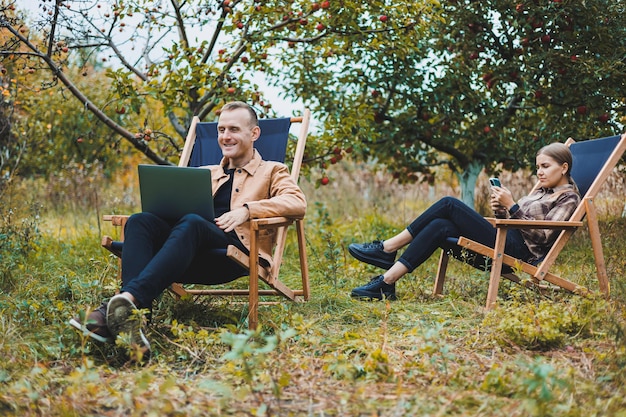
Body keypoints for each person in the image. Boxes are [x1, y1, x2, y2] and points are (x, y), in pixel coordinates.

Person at [70, 101, 307, 353]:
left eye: (234, 129)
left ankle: (124, 304)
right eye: (221, 130)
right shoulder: (205, 172)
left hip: (232, 254)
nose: (225, 136)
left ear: (254, 133)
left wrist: (247, 210)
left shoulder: (272, 170)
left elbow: (297, 202)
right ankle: (136, 325)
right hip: (184, 251)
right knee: (140, 220)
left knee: (193, 222)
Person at [348, 142, 580, 300]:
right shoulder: (541, 192)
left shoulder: (568, 198)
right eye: (538, 166)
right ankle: (387, 282)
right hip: (505, 240)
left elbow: (543, 236)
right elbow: (514, 222)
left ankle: (388, 248)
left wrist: (512, 206)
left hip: (518, 253)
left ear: (564, 167)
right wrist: (501, 210)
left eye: (545, 166)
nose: (539, 172)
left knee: (449, 203)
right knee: (441, 226)